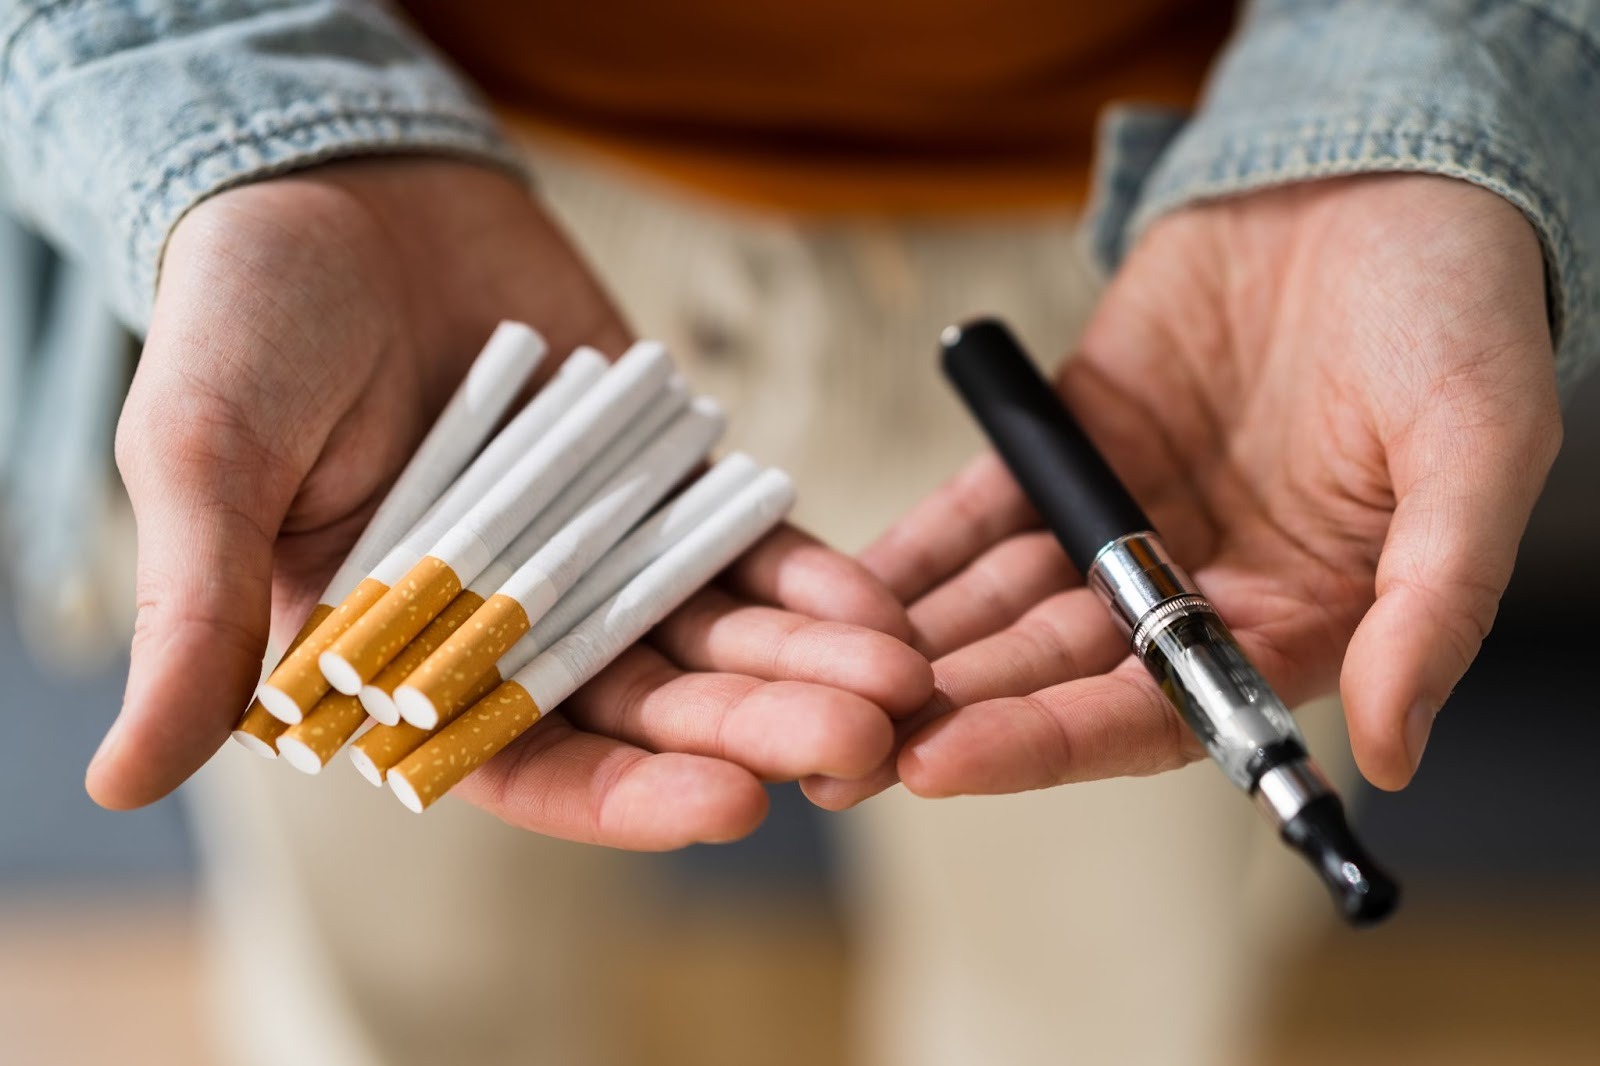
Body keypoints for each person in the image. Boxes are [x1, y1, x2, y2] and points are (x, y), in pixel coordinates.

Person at [3, 1, 1594, 1063]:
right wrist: (231, 114)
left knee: (1101, 982)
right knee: (406, 980)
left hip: (1173, 241)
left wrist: (1429, 100)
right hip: (422, 205)